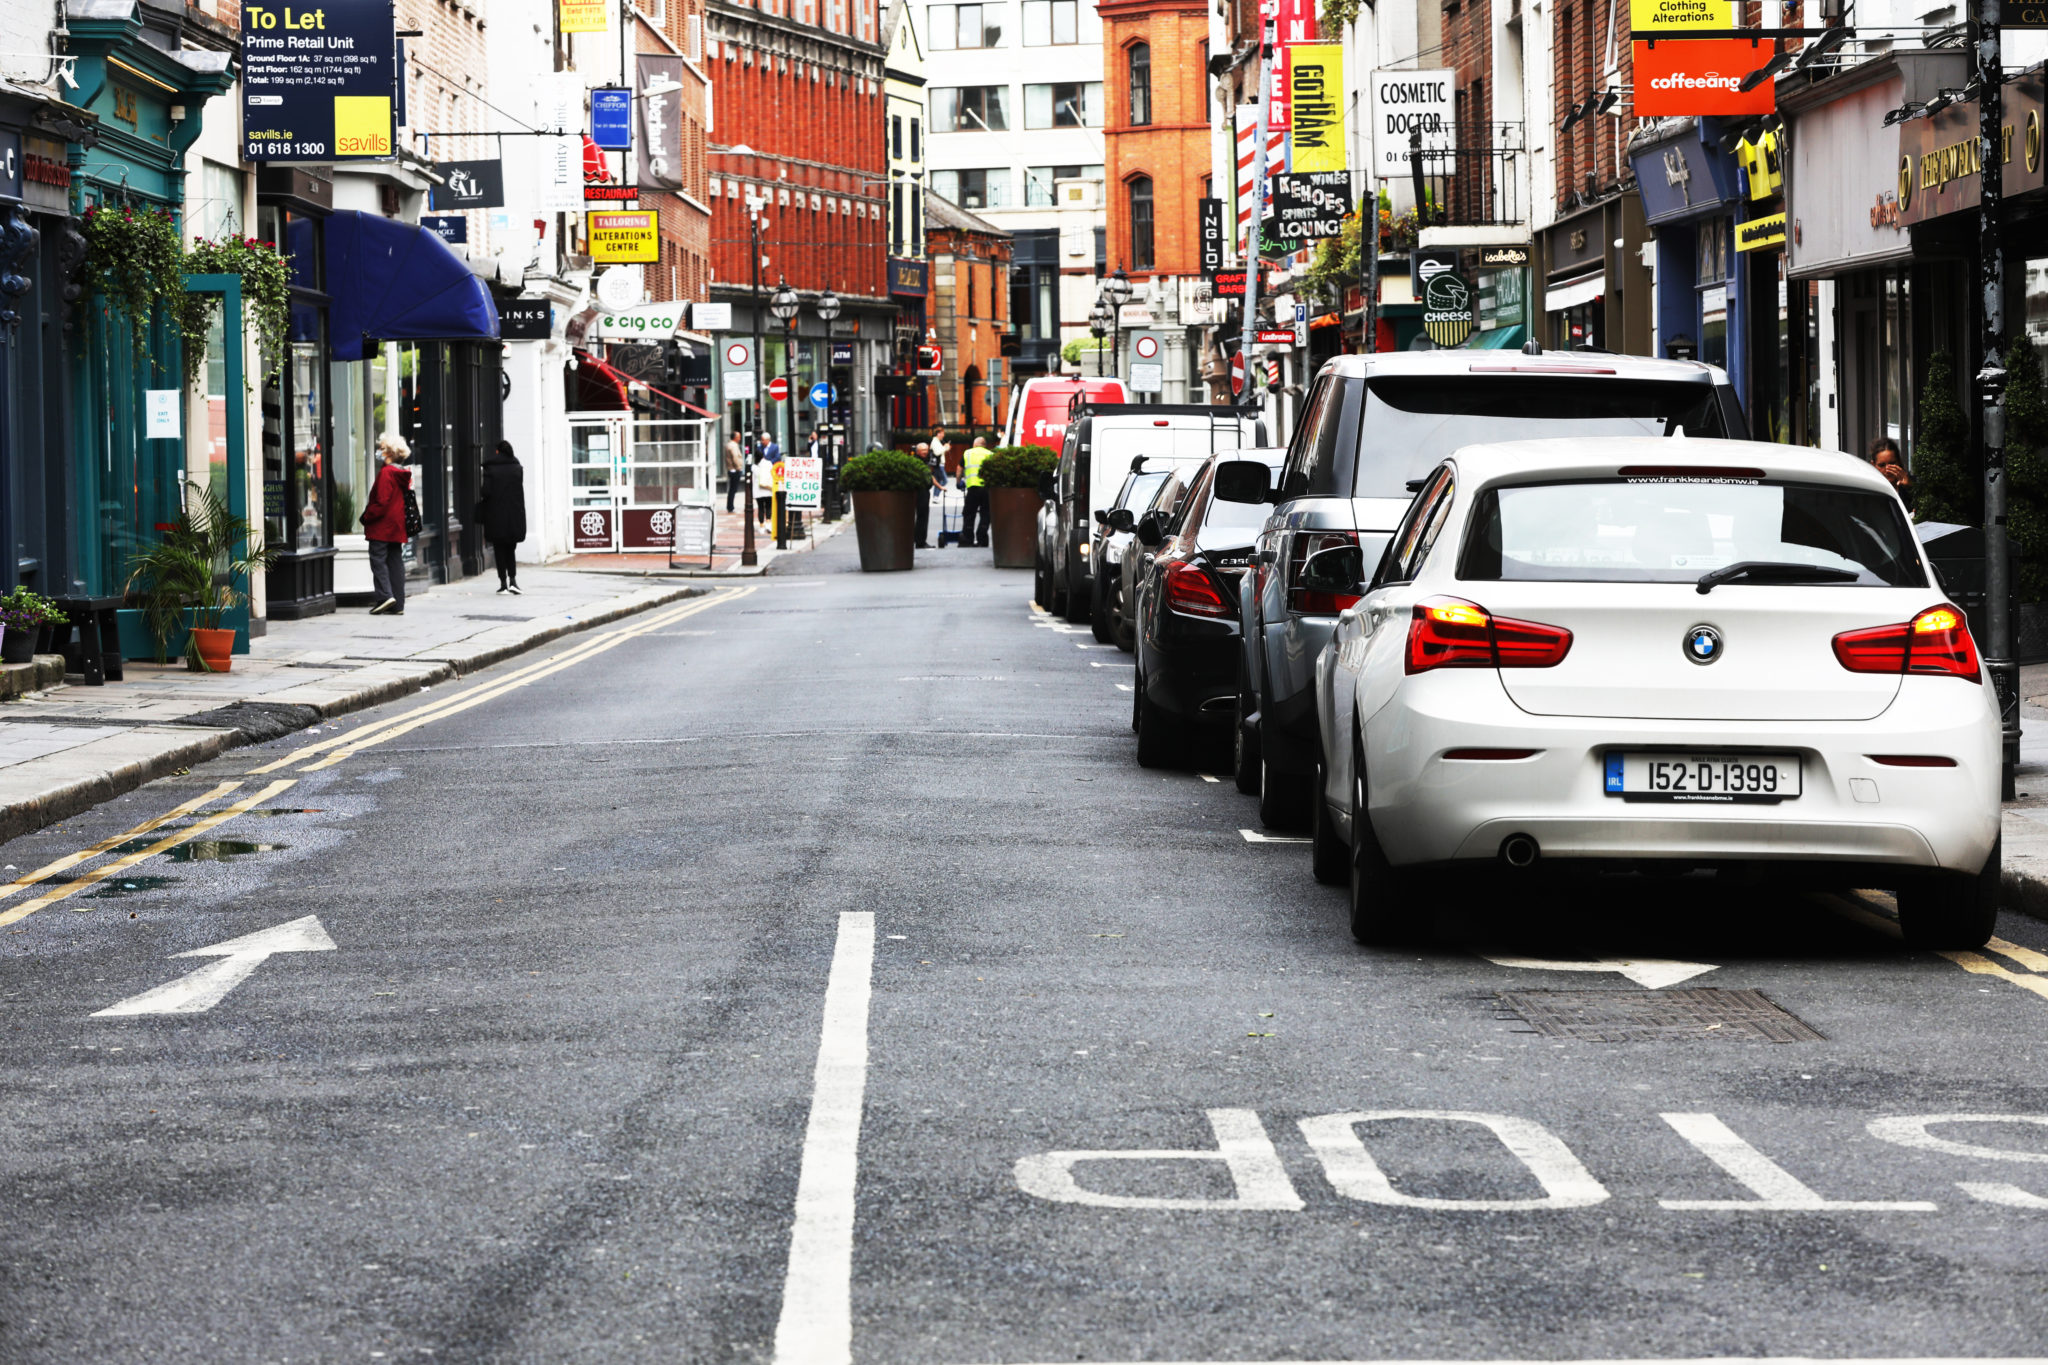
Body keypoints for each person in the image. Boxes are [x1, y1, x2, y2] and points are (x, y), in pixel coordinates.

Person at [360, 434, 413, 615]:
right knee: (395, 561)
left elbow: (381, 502)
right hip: (397, 526)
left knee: (378, 560)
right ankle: (398, 604)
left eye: (382, 448)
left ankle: (385, 596)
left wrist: (366, 516)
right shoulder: (401, 473)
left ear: (389, 452)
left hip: (382, 526)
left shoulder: (386, 473)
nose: (379, 451)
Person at [479, 439, 527, 594]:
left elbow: (485, 492)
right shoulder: (517, 468)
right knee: (510, 549)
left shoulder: (490, 469)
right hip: (514, 514)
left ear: (498, 452)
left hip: (495, 514)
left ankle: (503, 583)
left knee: (499, 549)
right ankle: (513, 580)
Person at [960, 435, 992, 547]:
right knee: (986, 513)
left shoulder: (967, 453)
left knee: (969, 513)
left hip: (972, 488)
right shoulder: (990, 454)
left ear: (975, 444)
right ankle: (982, 538)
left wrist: (958, 482)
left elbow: (959, 469)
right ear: (984, 445)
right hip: (986, 489)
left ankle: (968, 539)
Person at [912, 440, 944, 548]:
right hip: (920, 492)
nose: (925, 452)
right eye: (923, 450)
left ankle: (917, 539)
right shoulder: (917, 462)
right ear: (917, 451)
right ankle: (920, 542)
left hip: (923, 491)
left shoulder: (924, 461)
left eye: (926, 449)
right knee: (922, 517)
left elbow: (930, 476)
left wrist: (940, 487)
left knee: (921, 516)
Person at [1869, 436, 1913, 507]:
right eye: (1882, 465)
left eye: (1892, 463)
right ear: (1873, 465)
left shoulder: (1910, 485)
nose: (1887, 469)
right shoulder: (1868, 490)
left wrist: (1910, 488)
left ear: (1898, 462)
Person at [753, 433, 777, 529]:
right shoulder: (769, 463)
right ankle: (768, 521)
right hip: (767, 488)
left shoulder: (754, 467)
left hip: (758, 489)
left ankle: (761, 524)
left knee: (760, 507)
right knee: (768, 506)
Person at [724, 430, 745, 513]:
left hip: (732, 469)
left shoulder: (729, 445)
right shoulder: (733, 446)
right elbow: (735, 457)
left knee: (732, 489)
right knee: (733, 489)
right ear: (735, 437)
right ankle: (730, 507)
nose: (740, 439)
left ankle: (730, 506)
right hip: (734, 470)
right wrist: (738, 467)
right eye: (739, 437)